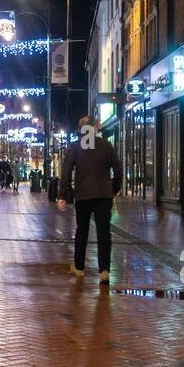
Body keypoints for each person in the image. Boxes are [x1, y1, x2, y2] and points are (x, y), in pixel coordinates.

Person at [57, 115, 122, 285]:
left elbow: (66, 172)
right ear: (96, 127)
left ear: (81, 130)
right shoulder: (106, 146)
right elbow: (118, 170)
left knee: (82, 230)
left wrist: (62, 195)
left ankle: (79, 267)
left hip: (83, 195)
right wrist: (113, 189)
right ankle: (104, 271)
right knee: (103, 233)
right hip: (103, 195)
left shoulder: (75, 147)